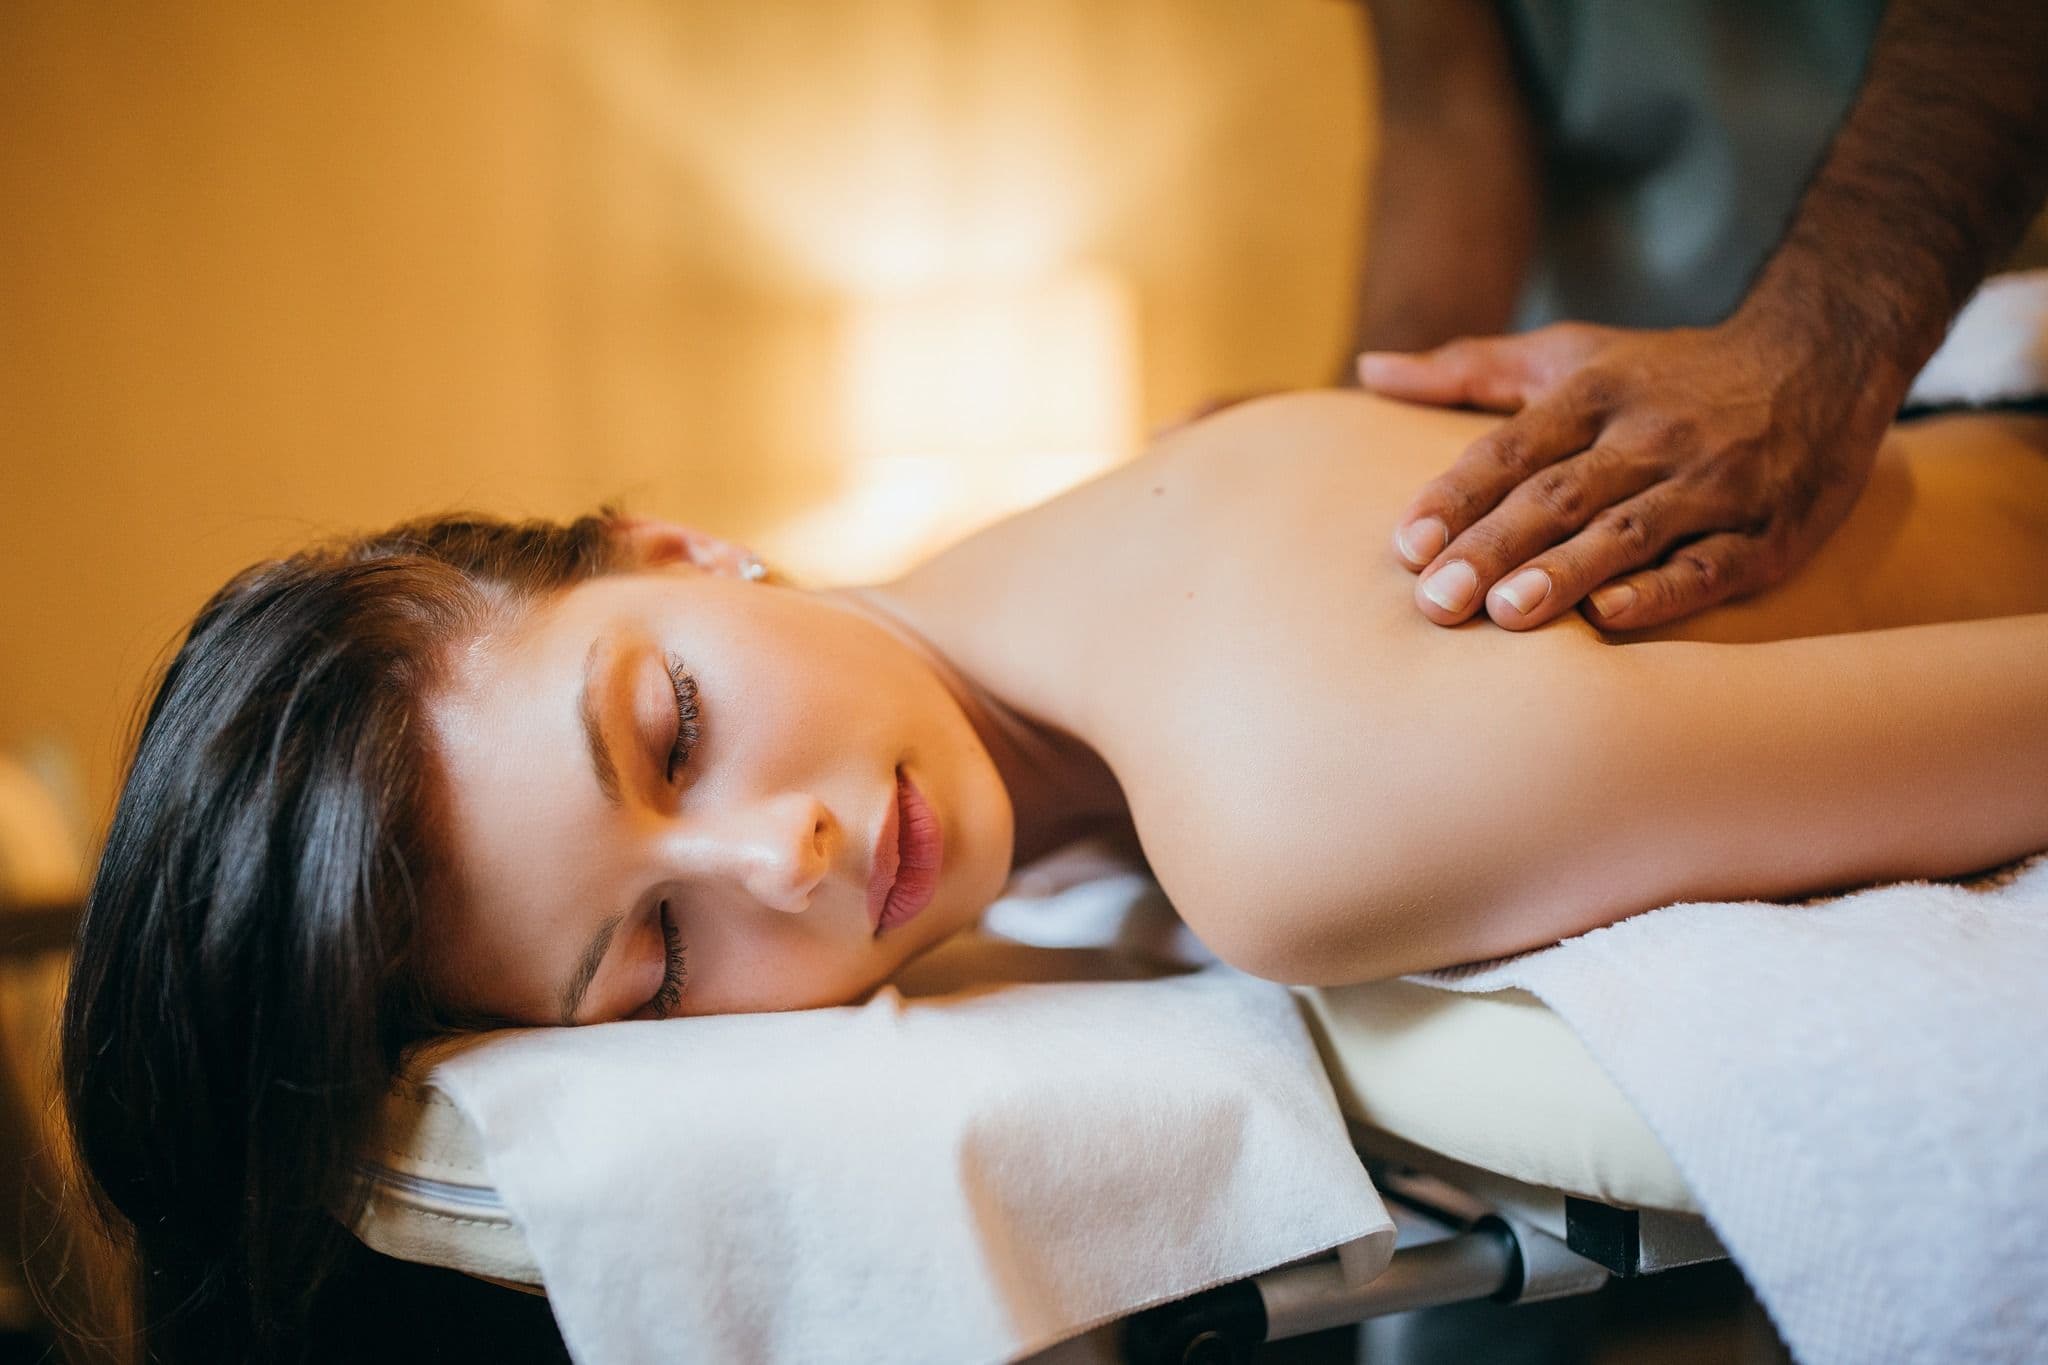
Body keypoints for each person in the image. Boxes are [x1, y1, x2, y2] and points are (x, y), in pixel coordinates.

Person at [62, 391, 2048, 1358]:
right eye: (655, 961)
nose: (795, 853)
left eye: (669, 726)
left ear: (678, 548)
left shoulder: (1282, 816)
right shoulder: (1095, 670)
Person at [1348, 0, 2048, 633]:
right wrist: (1372, 406)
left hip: (1958, 330)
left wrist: (1812, 354)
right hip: (1594, 373)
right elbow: (1444, 106)